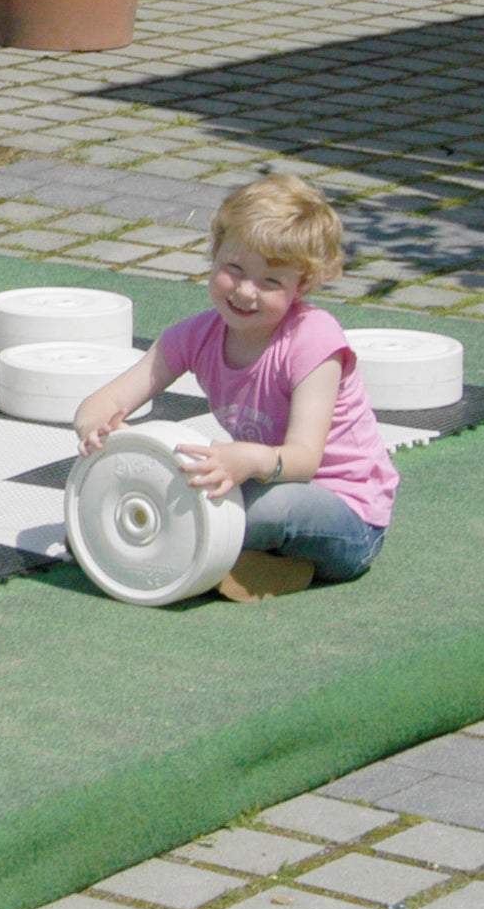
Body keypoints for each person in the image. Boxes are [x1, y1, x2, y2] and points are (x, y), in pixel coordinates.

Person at [74, 175, 396, 601]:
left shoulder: (313, 340)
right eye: (235, 269)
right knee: (141, 493)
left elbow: (304, 459)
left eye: (270, 282)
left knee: (260, 510)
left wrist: (246, 459)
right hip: (263, 478)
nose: (246, 291)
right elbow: (112, 397)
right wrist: (93, 422)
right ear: (215, 254)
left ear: (302, 286)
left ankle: (232, 556)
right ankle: (262, 566)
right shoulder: (196, 335)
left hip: (347, 512)